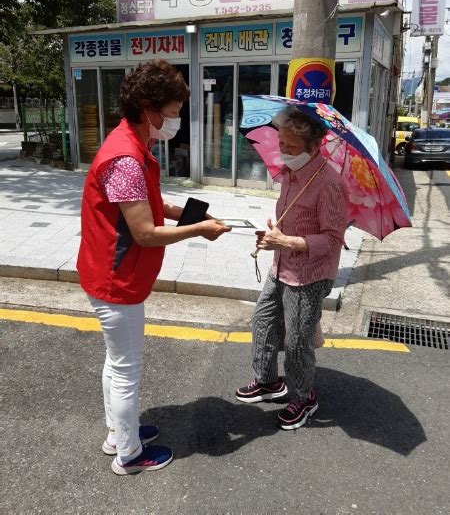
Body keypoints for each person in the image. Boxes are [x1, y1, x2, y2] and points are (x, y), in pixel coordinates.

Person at [77, 60, 230, 475]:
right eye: (174, 111)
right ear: (149, 109)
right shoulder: (126, 157)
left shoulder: (131, 145)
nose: (176, 120)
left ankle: (117, 433)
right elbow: (143, 232)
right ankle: (128, 455)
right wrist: (198, 229)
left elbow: (145, 203)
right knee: (127, 369)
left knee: (116, 362)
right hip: (116, 281)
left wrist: (182, 212)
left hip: (108, 273)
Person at [235, 106, 348, 430]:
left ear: (314, 147)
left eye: (292, 146)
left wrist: (283, 241)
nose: (283, 150)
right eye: (281, 142)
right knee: (262, 320)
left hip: (310, 275)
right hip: (281, 265)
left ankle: (303, 397)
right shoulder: (289, 173)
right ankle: (269, 381)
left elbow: (331, 240)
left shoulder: (328, 183)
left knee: (298, 340)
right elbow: (290, 221)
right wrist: (273, 232)